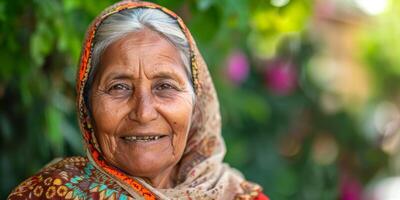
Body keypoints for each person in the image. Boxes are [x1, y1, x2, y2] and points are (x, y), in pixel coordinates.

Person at [8, 1, 269, 199]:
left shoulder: (239, 195)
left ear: (197, 102)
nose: (143, 113)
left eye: (165, 86)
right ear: (86, 106)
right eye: (119, 87)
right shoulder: (50, 193)